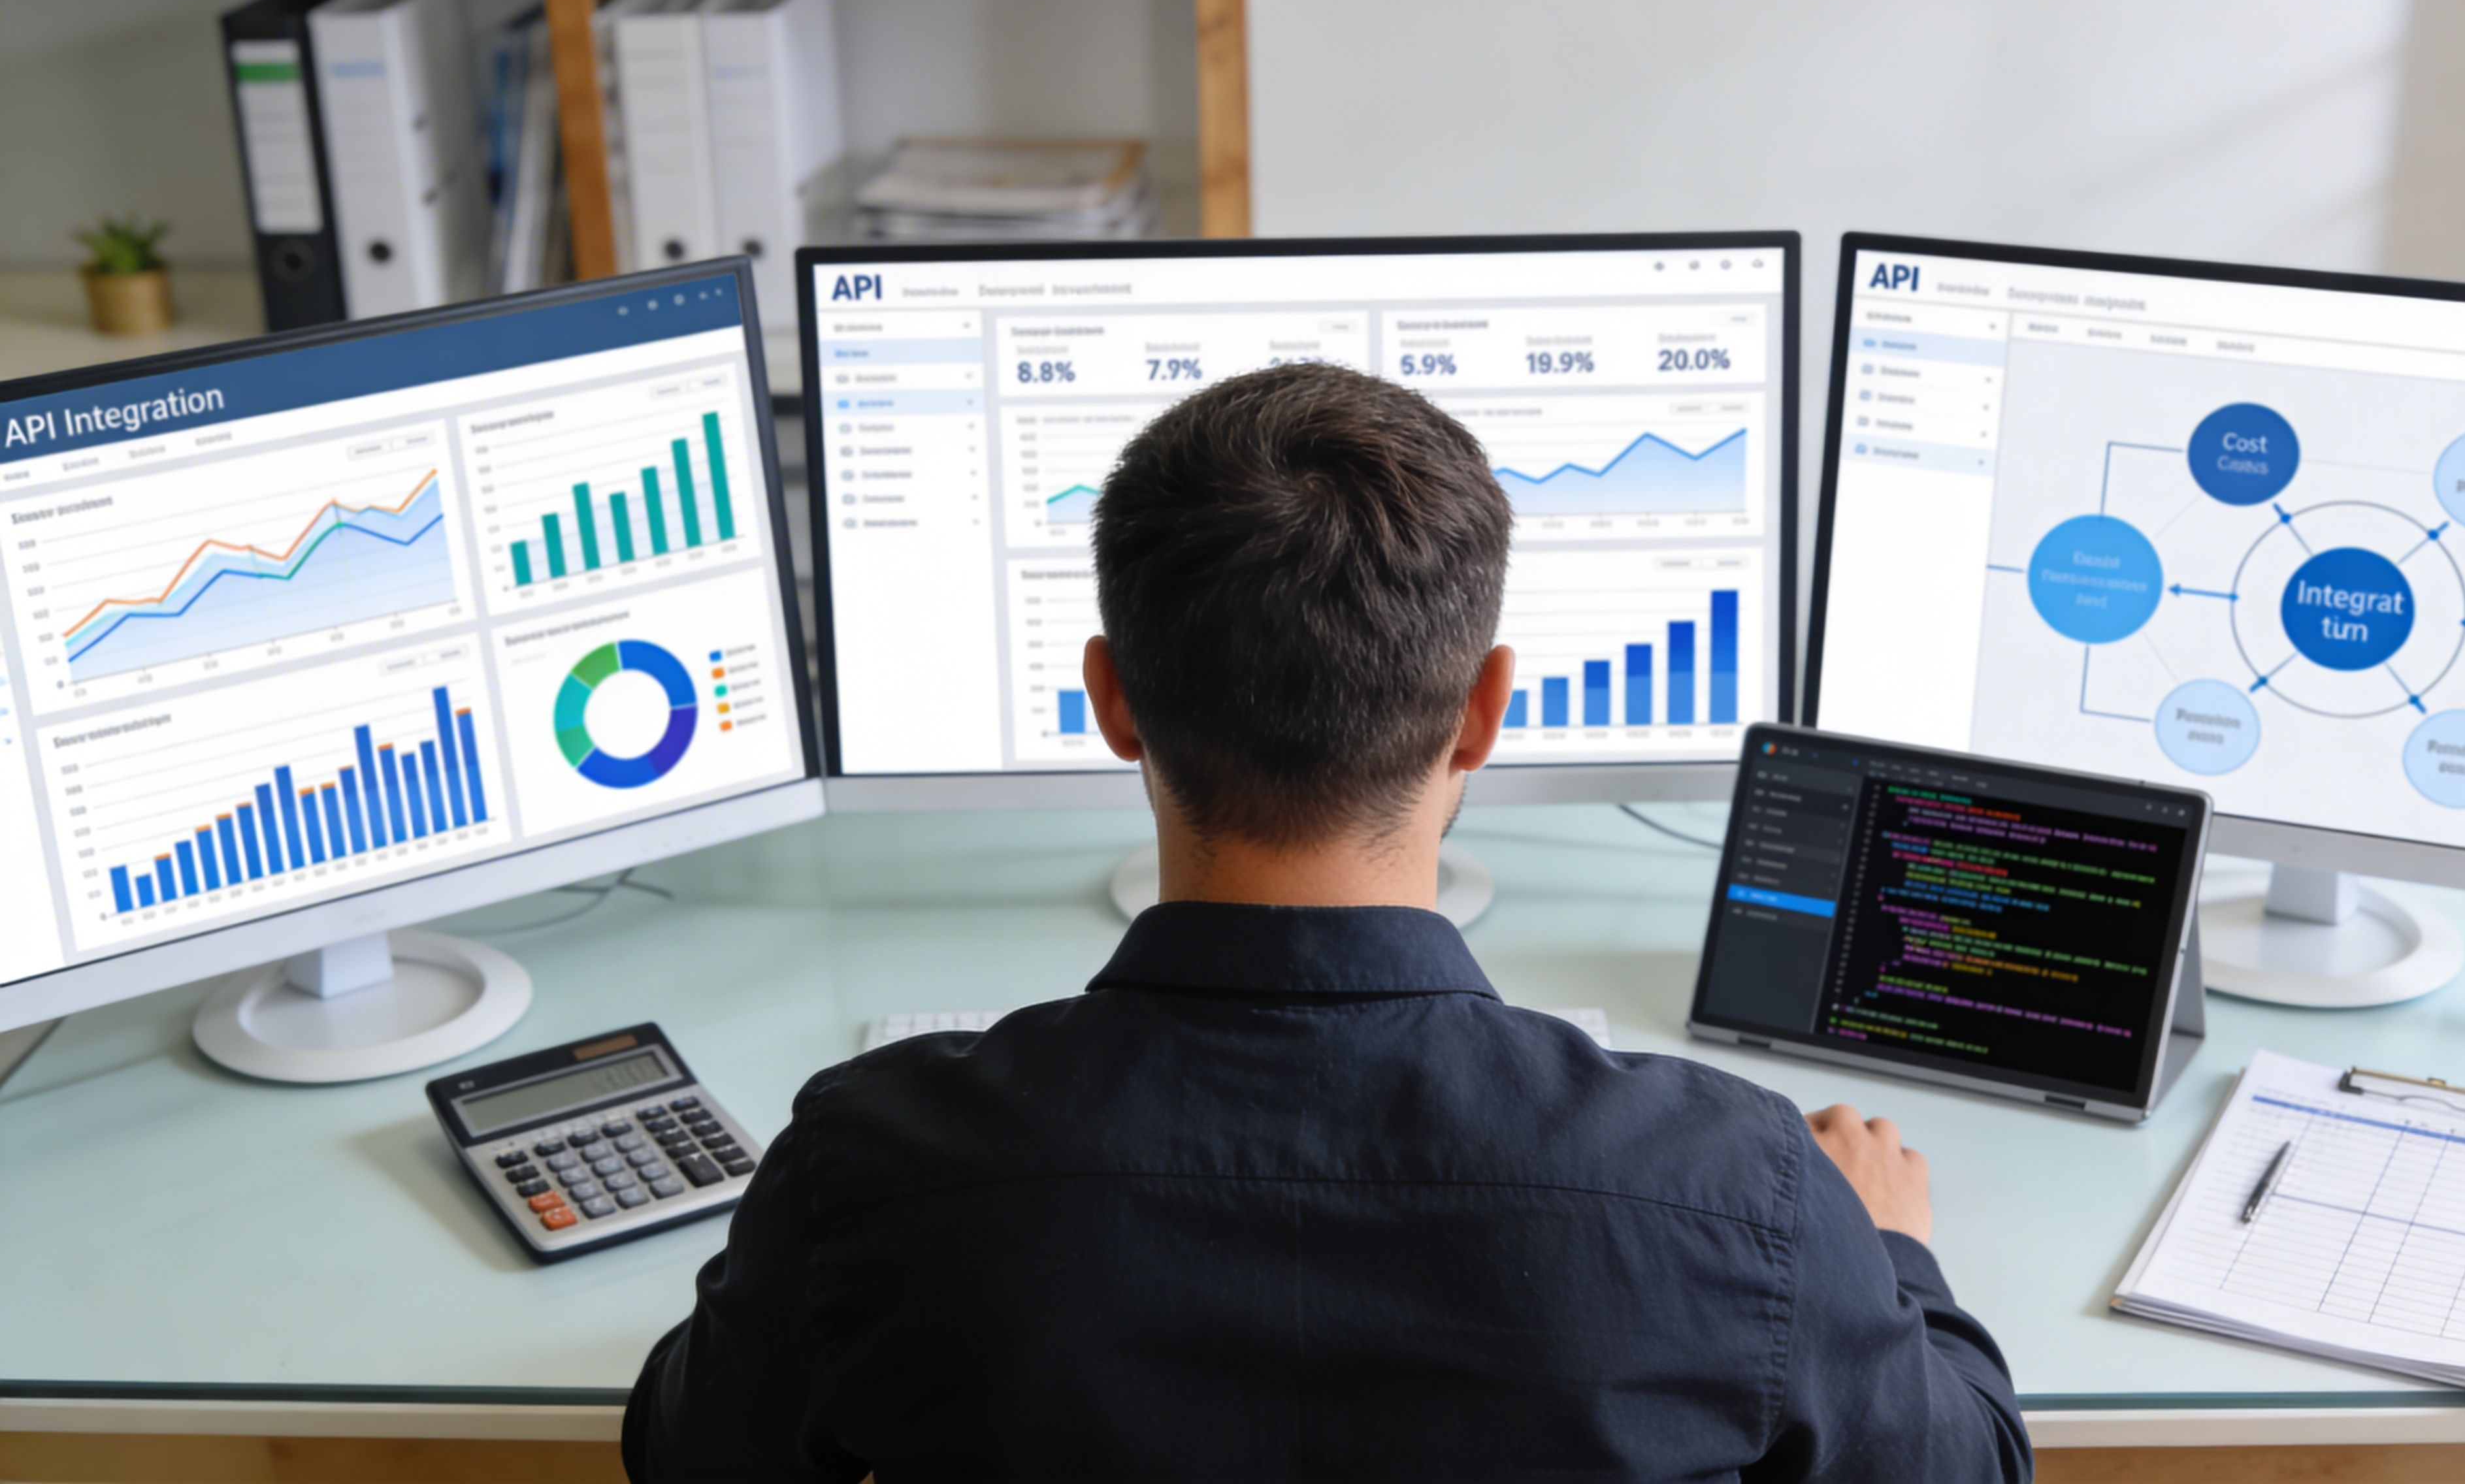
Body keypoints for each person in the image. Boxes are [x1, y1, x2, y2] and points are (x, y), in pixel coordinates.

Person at [625, 364, 2032, 1482]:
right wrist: (1888, 1253)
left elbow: (689, 1457)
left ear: (1111, 699)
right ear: (1484, 712)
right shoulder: (1742, 1192)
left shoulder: (873, 1166)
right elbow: (1966, 1472)